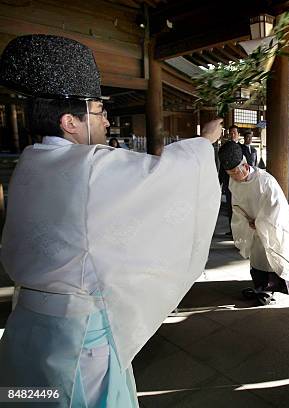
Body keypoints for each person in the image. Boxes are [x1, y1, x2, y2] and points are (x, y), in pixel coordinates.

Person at [0, 35, 222, 407]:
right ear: (70, 121)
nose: (106, 121)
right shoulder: (88, 164)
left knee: (27, 397)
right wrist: (204, 143)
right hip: (75, 334)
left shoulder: (30, 161)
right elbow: (162, 177)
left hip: (26, 324)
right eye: (99, 111)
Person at [218, 142, 289, 306]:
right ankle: (261, 287)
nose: (233, 177)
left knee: (274, 254)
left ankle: (275, 287)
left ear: (245, 165)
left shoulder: (265, 181)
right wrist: (245, 220)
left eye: (235, 172)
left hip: (271, 226)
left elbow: (275, 208)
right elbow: (236, 205)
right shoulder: (233, 181)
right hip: (252, 226)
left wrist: (260, 222)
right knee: (257, 257)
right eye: (230, 173)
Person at [219, 124, 241, 237]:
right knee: (230, 207)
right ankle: (232, 230)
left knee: (240, 207)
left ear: (238, 134)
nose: (232, 135)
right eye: (230, 133)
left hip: (240, 184)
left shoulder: (242, 148)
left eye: (234, 133)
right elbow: (222, 167)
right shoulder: (225, 148)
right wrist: (219, 182)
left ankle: (240, 231)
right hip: (228, 182)